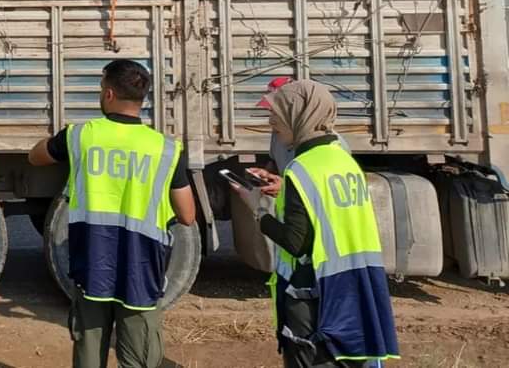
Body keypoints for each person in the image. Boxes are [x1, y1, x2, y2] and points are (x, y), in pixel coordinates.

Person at [27, 59, 197, 368]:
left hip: (92, 267)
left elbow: (36, 156)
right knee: (138, 358)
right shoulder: (166, 149)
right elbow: (187, 215)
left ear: (108, 94)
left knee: (89, 356)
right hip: (141, 271)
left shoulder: (80, 136)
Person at [233, 80, 399, 367]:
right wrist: (286, 188)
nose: (271, 122)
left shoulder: (302, 167)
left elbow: (296, 242)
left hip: (315, 291)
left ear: (298, 114)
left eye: (277, 113)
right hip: (355, 283)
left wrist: (258, 209)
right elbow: (325, 210)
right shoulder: (342, 159)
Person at [249, 77, 350, 199]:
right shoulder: (280, 135)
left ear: (298, 111)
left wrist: (287, 189)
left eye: (279, 112)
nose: (271, 120)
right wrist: (268, 176)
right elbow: (275, 164)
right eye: (271, 111)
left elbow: (331, 197)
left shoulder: (334, 147)